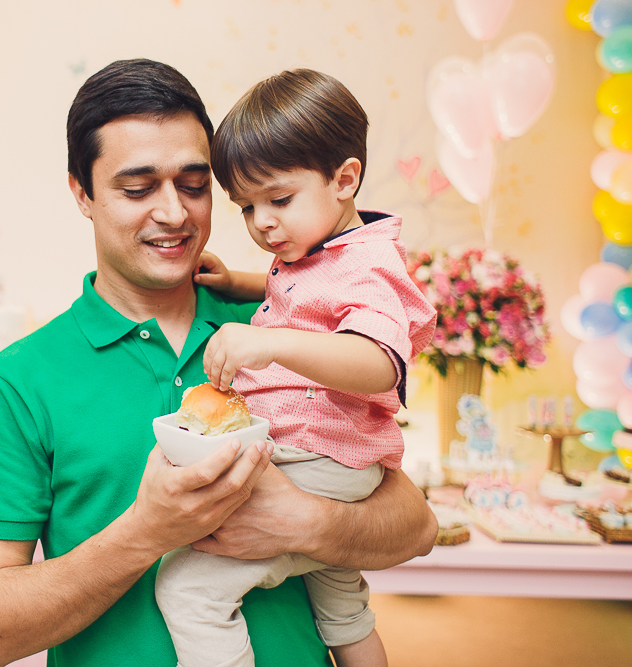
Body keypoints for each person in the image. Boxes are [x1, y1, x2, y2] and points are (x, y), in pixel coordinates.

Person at [0, 59, 438, 667]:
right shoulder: (17, 383)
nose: (175, 213)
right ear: (83, 194)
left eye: (193, 184)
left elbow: (416, 526)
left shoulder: (275, 326)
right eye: (137, 189)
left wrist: (306, 523)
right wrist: (147, 532)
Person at [154, 68, 436, 667]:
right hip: (335, 455)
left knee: (188, 589)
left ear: (345, 179)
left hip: (320, 457)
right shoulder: (324, 250)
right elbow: (309, 298)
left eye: (278, 200)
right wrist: (242, 283)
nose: (262, 223)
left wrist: (271, 344)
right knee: (344, 610)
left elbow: (378, 362)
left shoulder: (370, 267)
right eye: (247, 207)